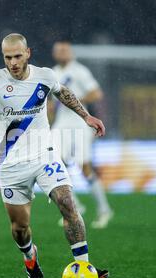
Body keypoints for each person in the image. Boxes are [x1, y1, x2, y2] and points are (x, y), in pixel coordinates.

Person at [0, 33, 108, 278]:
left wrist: (86, 117)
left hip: (44, 155)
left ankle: (83, 265)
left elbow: (63, 93)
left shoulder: (44, 76)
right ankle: (30, 256)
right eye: (7, 57)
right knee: (20, 229)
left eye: (16, 56)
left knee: (68, 202)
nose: (12, 62)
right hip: (12, 164)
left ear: (28, 53)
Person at [50, 41, 114, 229]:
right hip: (61, 124)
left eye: (65, 50)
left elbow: (97, 93)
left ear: (70, 53)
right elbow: (50, 101)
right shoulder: (53, 72)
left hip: (79, 123)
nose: (62, 53)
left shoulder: (80, 71)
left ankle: (104, 210)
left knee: (84, 167)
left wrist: (74, 101)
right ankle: (75, 206)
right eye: (58, 50)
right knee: (54, 164)